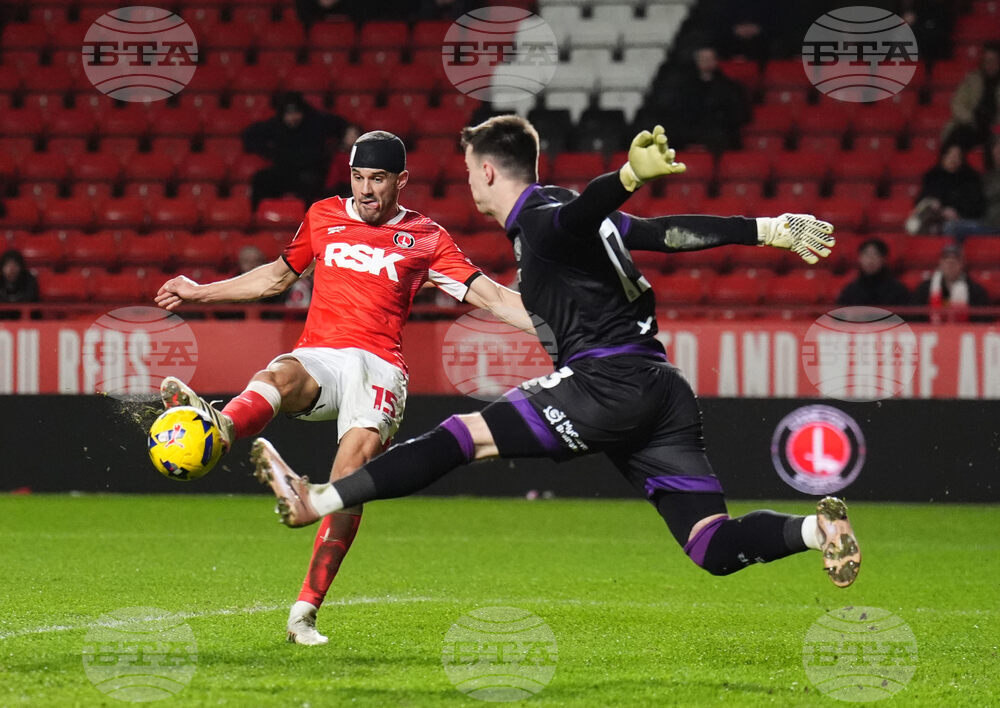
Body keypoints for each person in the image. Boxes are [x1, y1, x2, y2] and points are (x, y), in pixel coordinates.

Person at [253, 116, 862, 597]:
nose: (466, 183)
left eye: (469, 171)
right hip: (662, 389)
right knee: (711, 545)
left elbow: (586, 211)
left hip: (606, 383)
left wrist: (625, 176)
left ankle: (319, 500)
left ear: (489, 172)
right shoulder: (559, 212)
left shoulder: (547, 220)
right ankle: (814, 530)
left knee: (462, 437)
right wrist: (767, 229)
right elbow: (662, 233)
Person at [155, 130, 533, 645]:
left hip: (380, 369)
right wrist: (200, 293)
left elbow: (490, 297)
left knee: (347, 477)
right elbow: (273, 279)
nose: (366, 190)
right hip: (321, 356)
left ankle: (303, 614)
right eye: (358, 178)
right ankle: (220, 427)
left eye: (377, 179)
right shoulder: (323, 216)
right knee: (279, 374)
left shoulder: (427, 237)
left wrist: (559, 325)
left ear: (401, 181)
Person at [242, 92, 351, 210]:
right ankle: (256, 216)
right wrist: (268, 152)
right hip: (284, 172)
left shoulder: (317, 121)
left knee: (313, 183)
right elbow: (249, 134)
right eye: (288, 114)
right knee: (260, 179)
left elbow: (344, 126)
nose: (292, 118)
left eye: (296, 113)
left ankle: (308, 221)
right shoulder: (276, 125)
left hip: (310, 172)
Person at [658, 46, 750, 154]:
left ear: (716, 61)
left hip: (720, 130)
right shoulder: (684, 88)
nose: (707, 62)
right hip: (690, 130)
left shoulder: (730, 87)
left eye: (710, 59)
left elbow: (738, 114)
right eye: (703, 59)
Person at [907, 142, 986, 236]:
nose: (953, 159)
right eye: (950, 155)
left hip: (963, 221)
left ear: (962, 159)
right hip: (937, 217)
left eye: (957, 156)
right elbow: (921, 201)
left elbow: (977, 206)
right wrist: (939, 208)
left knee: (950, 227)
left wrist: (957, 213)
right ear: (943, 157)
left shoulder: (971, 178)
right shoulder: (933, 176)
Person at [944, 43, 1000, 152]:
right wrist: (971, 119)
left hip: (996, 128)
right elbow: (957, 104)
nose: (989, 64)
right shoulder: (972, 79)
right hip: (972, 124)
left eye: (993, 60)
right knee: (956, 136)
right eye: (986, 61)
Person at [912, 244, 990, 322]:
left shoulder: (975, 290)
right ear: (940, 263)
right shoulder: (924, 288)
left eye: (954, 261)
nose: (950, 264)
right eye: (946, 260)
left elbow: (983, 319)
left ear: (962, 264)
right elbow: (915, 317)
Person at [836, 238, 910, 307]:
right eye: (866, 255)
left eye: (875, 255)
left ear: (884, 259)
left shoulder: (897, 290)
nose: (870, 260)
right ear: (859, 259)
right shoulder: (851, 290)